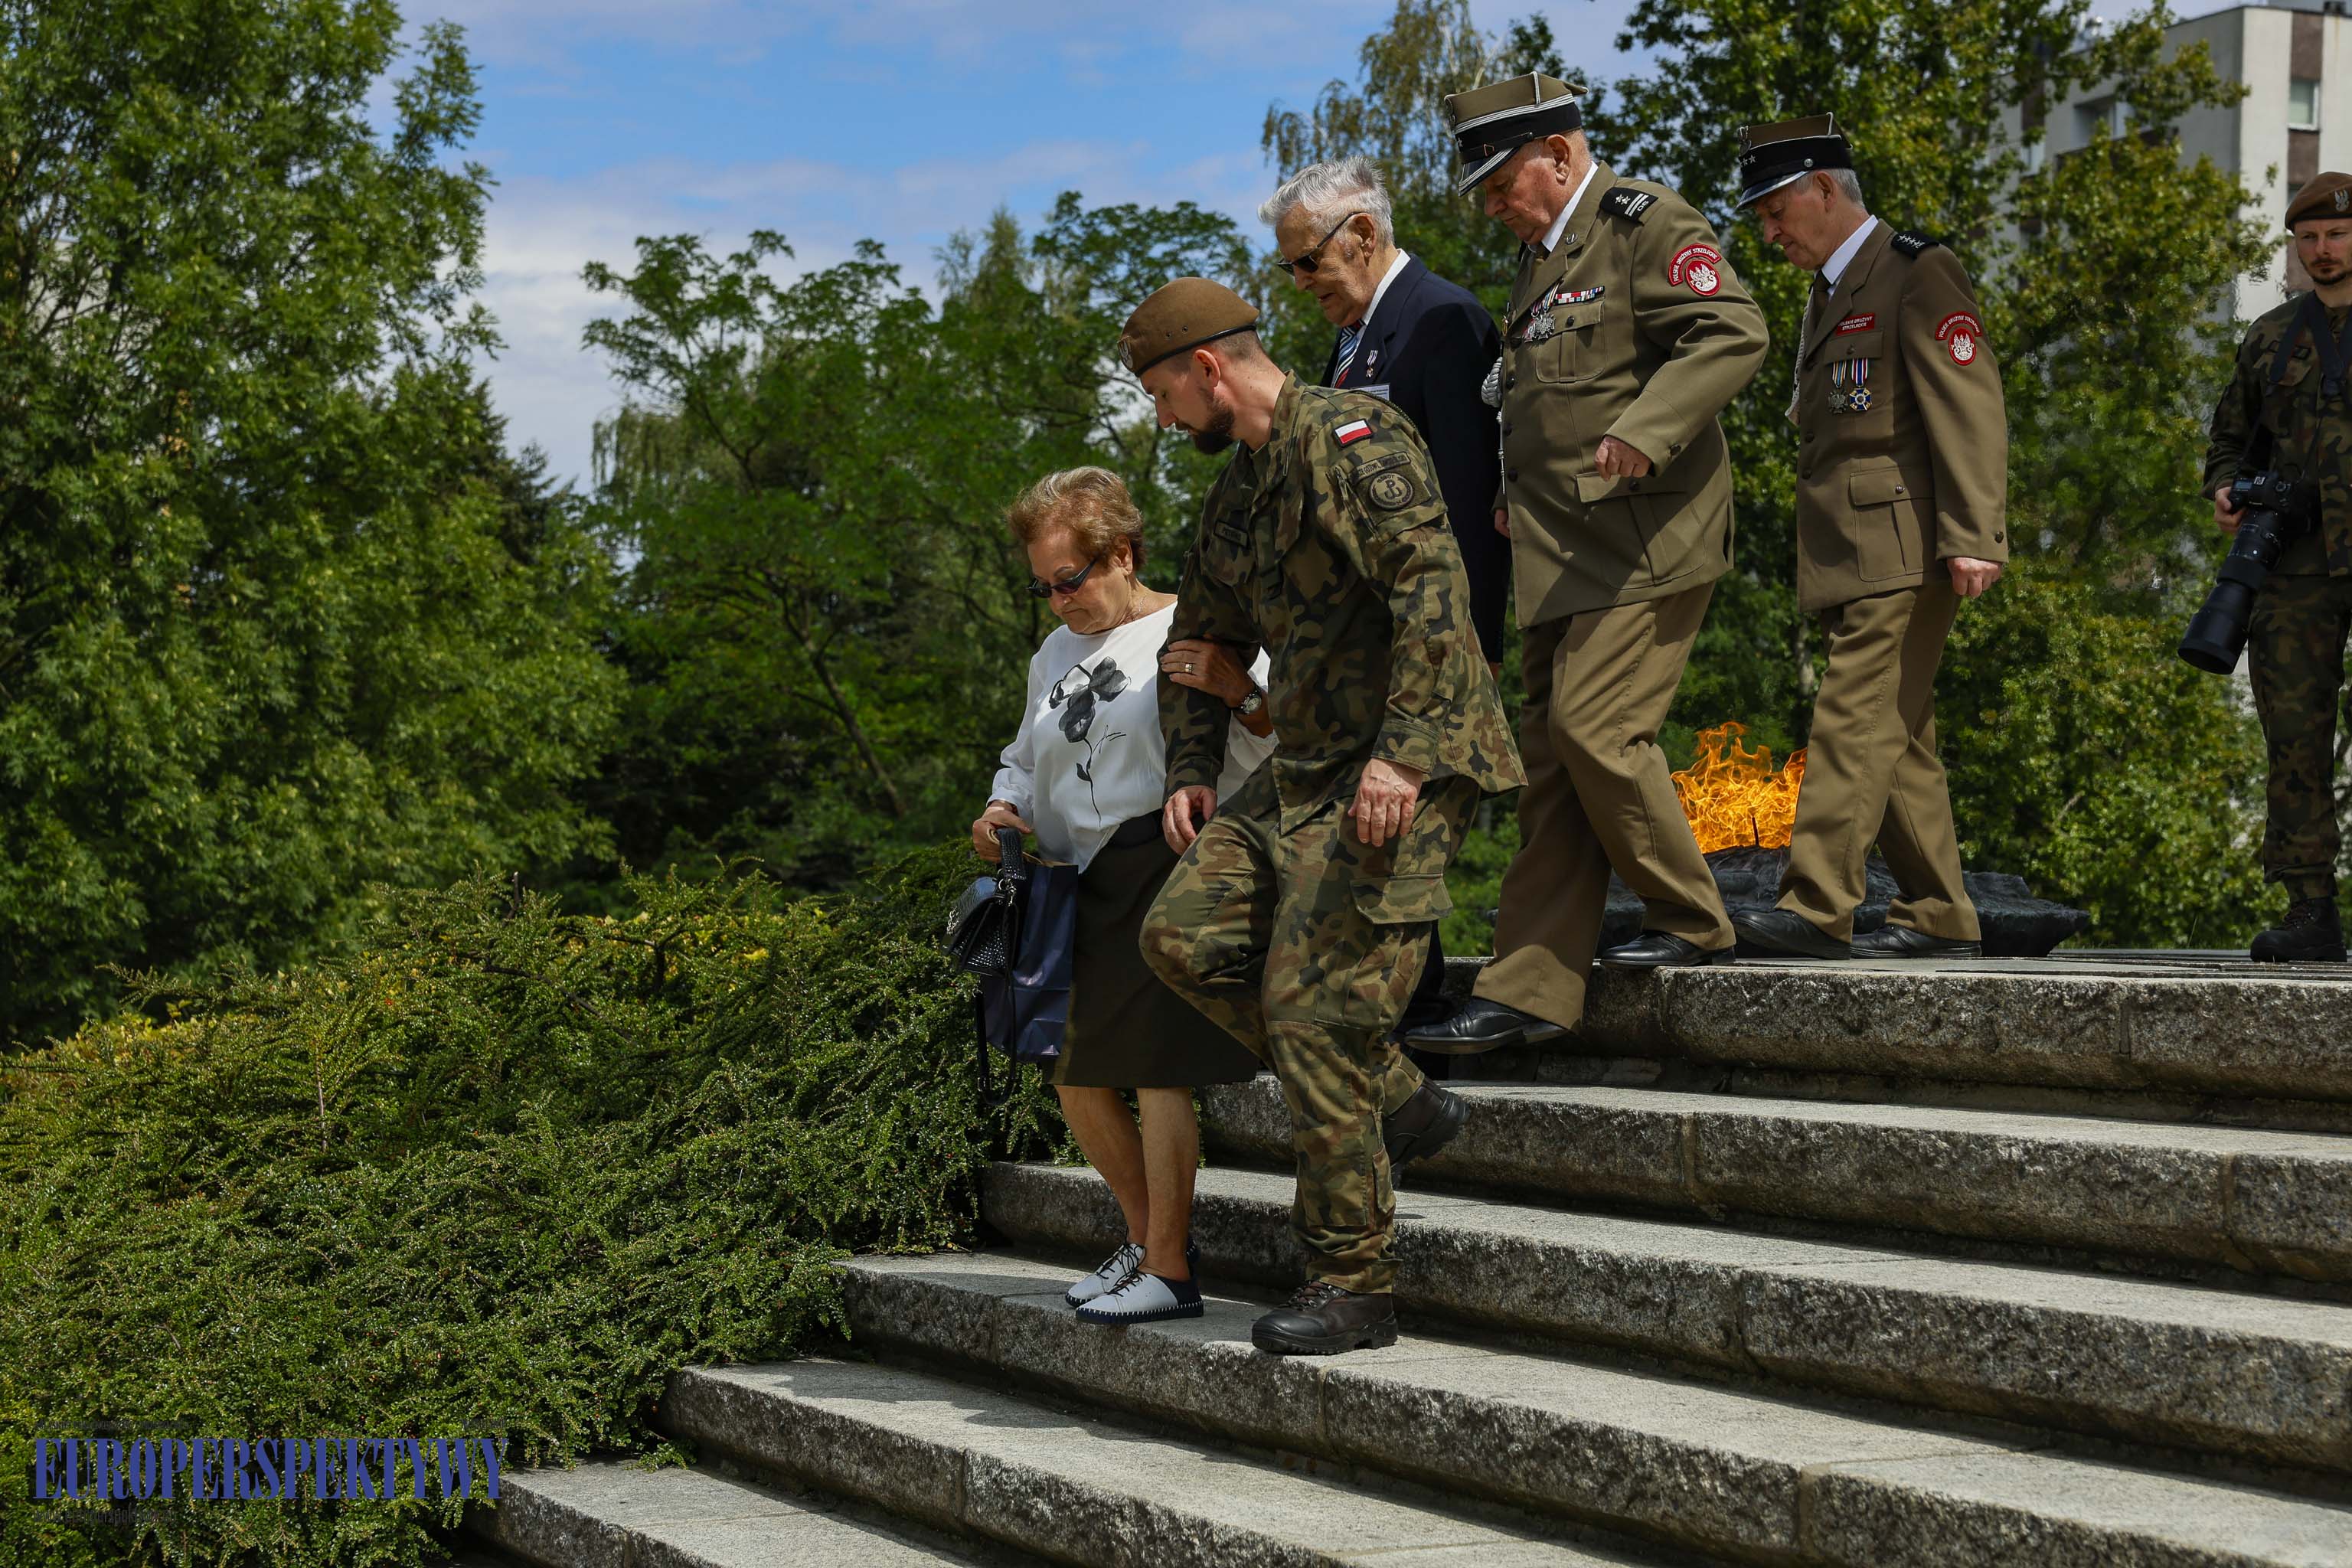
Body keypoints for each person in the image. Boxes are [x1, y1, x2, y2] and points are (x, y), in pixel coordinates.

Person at [1122, 278, 1524, 1355]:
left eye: (1165, 394)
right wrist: (1193, 768)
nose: (1163, 419)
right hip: (1303, 767)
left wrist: (1400, 756)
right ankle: (1395, 1093)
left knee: (1316, 1015)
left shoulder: (1355, 441)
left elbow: (1434, 597)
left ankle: (1354, 1284)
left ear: (1210, 370)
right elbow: (1195, 648)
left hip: (1414, 753)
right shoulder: (1236, 494)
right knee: (1179, 936)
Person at [1406, 74, 1769, 1058]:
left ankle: (1693, 917)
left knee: (1596, 728)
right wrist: (1507, 491)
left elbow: (1732, 329)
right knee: (1551, 764)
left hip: (1649, 539)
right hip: (1560, 553)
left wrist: (1645, 431)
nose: (1490, 205)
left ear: (1558, 155)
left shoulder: (1645, 222)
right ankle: (1529, 985)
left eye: (1499, 182)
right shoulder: (1539, 260)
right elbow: (1544, 397)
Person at [972, 466, 1275, 1325]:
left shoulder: (1196, 624)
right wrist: (1004, 804)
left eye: (1071, 579)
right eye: (1044, 586)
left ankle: (1172, 1268)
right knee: (1075, 1074)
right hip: (1075, 878)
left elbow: (1286, 723)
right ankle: (1149, 1246)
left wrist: (1239, 689)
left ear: (1124, 552)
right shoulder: (1054, 652)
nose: (1059, 601)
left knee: (1156, 1072)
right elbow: (1025, 755)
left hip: (1163, 856)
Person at [1729, 115, 2008, 962]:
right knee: (1899, 731)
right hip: (1847, 548)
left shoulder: (1917, 273)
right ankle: (1940, 909)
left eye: (1776, 211)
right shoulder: (1827, 295)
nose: (1768, 232)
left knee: (1852, 715)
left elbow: (1970, 405)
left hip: (1905, 542)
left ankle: (1816, 903)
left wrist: (1976, 533)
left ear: (1824, 188)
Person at [1259, 155, 1507, 1050]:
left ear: (1362, 234)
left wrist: (1461, 648)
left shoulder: (1439, 319)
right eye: (1288, 266)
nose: (1298, 283)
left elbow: (1469, 502)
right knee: (1375, 834)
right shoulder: (1361, 333)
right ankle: (1410, 1007)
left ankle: (1418, 1013)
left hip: (1430, 641)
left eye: (1306, 261)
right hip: (1367, 646)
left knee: (1404, 833)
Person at [2207, 171, 2352, 963]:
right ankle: (2310, 910)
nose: (2323, 251)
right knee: (2295, 736)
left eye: (2337, 235)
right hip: (2294, 567)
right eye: (2309, 239)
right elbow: (2228, 436)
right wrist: (2226, 489)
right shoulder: (2272, 335)